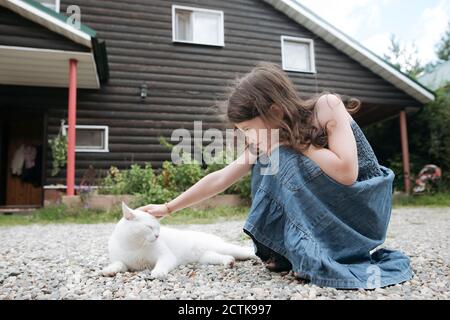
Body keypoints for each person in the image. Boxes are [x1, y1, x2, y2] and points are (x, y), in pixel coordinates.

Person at [138, 62, 412, 289]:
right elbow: (223, 177)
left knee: (279, 157)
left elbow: (347, 173)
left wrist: (291, 142)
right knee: (268, 158)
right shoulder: (267, 139)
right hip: (328, 209)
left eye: (247, 128)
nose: (246, 136)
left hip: (360, 211)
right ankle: (286, 251)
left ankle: (313, 250)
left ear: (276, 112)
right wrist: (169, 207)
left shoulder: (327, 106)